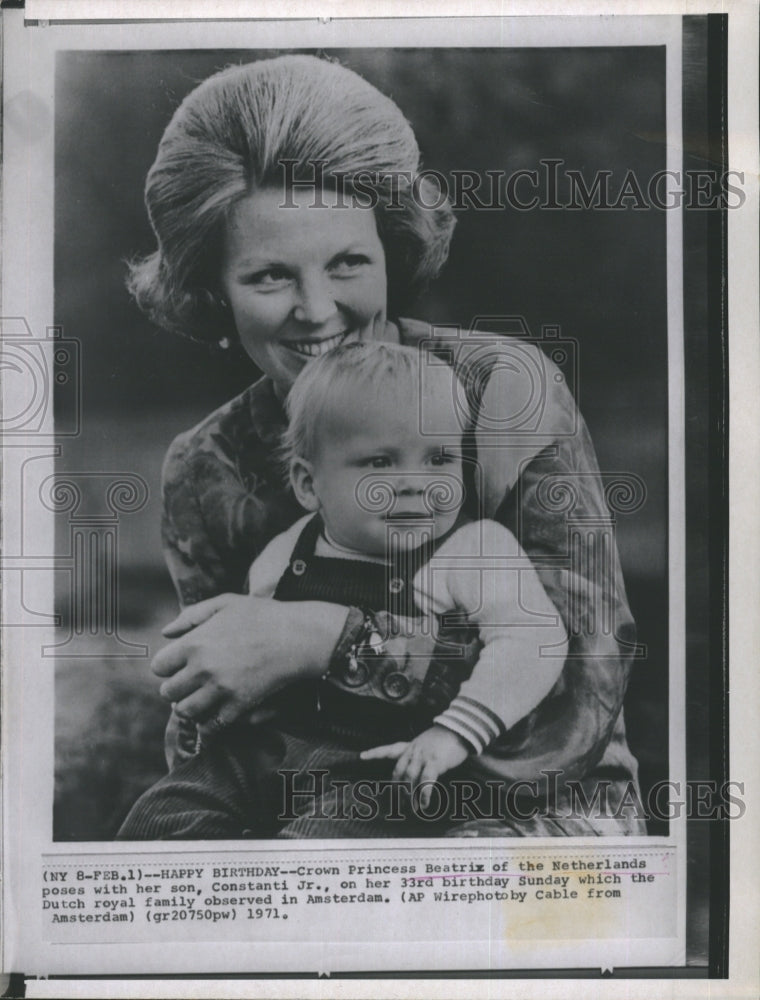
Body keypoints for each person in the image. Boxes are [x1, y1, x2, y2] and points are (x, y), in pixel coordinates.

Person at [121, 53, 645, 838]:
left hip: (531, 806)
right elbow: (214, 710)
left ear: (391, 251)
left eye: (348, 263)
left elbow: (580, 694)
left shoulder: (496, 391)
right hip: (303, 792)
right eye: (269, 277)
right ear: (210, 287)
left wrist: (323, 639)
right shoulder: (208, 466)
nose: (318, 309)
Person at [117, 342, 570, 838]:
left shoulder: (471, 549)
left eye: (439, 458)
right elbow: (249, 655)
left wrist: (454, 732)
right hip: (270, 752)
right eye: (380, 462)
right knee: (160, 815)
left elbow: (533, 641)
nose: (416, 483)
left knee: (318, 847)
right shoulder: (287, 550)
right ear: (309, 485)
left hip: (384, 765)